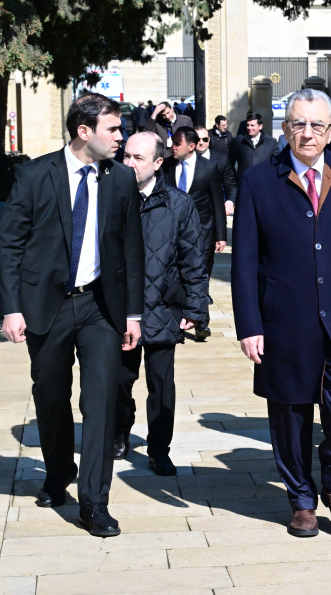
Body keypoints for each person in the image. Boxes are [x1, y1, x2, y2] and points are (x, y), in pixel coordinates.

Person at [231, 89, 331, 539]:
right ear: (285, 129)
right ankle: (301, 498)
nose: (308, 133)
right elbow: (244, 262)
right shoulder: (260, 181)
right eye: (298, 124)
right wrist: (249, 326)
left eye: (317, 125)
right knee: (290, 413)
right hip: (285, 320)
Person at [0, 93, 145, 537]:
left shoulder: (121, 179)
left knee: (99, 399)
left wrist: (133, 314)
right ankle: (58, 470)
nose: (120, 137)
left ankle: (94, 500)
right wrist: (11, 308)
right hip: (48, 305)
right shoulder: (34, 175)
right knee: (50, 395)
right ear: (85, 132)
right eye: (113, 130)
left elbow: (130, 251)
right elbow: (10, 245)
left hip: (101, 307)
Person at [115, 132, 208, 475]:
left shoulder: (179, 204)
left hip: (163, 307)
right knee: (119, 380)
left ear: (157, 163)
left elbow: (193, 260)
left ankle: (159, 450)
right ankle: (120, 431)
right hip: (120, 311)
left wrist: (196, 308)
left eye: (138, 158)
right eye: (126, 155)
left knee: (161, 386)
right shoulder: (110, 197)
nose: (129, 163)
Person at [162, 127, 227, 341]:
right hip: (173, 232)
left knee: (200, 277)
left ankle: (202, 323)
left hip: (203, 232)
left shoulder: (209, 168)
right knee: (177, 276)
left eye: (177, 145)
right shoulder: (166, 166)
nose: (172, 147)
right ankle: (180, 318)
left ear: (191, 147)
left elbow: (217, 203)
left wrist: (221, 235)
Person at [228, 112, 279, 207]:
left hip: (264, 186)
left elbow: (277, 163)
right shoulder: (238, 141)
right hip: (243, 185)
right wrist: (236, 177)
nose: (249, 128)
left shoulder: (271, 142)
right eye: (248, 125)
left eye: (252, 125)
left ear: (260, 126)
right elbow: (229, 163)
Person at [195, 125, 236, 217]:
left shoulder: (222, 159)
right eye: (198, 139)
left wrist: (229, 202)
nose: (201, 143)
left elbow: (230, 184)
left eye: (205, 139)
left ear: (209, 139)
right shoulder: (185, 159)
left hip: (215, 210)